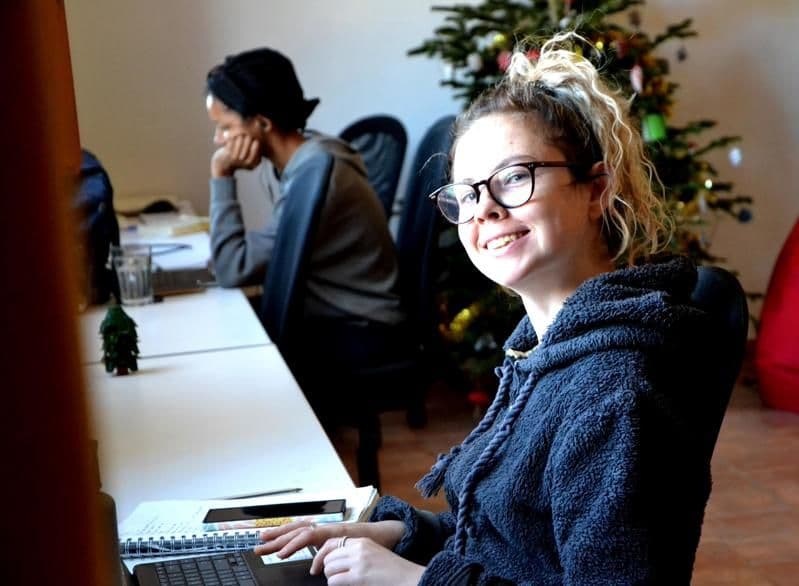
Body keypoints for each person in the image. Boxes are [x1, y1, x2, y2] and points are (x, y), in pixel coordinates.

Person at [254, 32, 718, 585]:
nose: (486, 211)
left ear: (597, 189)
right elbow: (512, 541)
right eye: (468, 193)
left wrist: (411, 580)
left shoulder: (614, 396)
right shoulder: (542, 348)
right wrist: (400, 536)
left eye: (515, 178)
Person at [205, 47, 404, 329]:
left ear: (262, 122)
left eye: (225, 127)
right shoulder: (310, 160)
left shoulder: (318, 172)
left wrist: (221, 174)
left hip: (358, 327)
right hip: (334, 317)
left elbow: (232, 269)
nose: (218, 140)